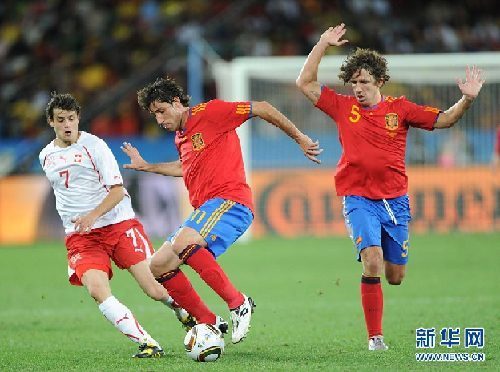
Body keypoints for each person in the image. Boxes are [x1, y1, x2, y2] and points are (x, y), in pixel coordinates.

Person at [296, 23, 484, 350]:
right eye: (353, 82)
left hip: (394, 201)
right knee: (372, 259)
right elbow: (305, 82)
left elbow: (445, 120)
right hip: (357, 198)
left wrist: (466, 100)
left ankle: (380, 253)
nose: (358, 88)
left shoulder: (401, 109)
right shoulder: (343, 107)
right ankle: (375, 338)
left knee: (394, 276)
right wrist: (323, 44)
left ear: (379, 82)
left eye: (364, 82)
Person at [121, 76, 322, 344]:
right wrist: (148, 167)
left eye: (161, 111)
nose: (159, 120)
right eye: (154, 115)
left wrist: (299, 138)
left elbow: (261, 106)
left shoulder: (211, 112)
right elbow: (185, 167)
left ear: (177, 102)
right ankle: (209, 321)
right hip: (206, 209)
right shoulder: (181, 137)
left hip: (230, 201)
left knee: (184, 241)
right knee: (157, 266)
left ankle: (238, 303)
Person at [39, 92, 195, 358]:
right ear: (51, 123)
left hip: (119, 225)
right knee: (97, 290)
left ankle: (184, 311)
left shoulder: (95, 146)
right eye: (61, 120)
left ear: (78, 119)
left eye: (72, 119)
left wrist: (91, 215)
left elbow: (117, 191)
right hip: (81, 237)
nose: (67, 125)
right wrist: (79, 222)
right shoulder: (46, 156)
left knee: (154, 289)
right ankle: (148, 343)